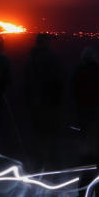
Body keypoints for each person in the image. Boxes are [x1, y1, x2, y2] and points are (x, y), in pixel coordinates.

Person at [24, 33, 64, 167]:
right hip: (50, 100)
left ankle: (37, 160)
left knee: (37, 132)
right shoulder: (51, 57)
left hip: (35, 100)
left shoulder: (30, 58)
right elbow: (58, 78)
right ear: (45, 43)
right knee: (52, 132)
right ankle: (52, 162)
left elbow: (26, 80)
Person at [72, 46, 99, 139]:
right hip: (96, 106)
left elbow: (72, 88)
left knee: (84, 130)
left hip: (82, 106)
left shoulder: (78, 71)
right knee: (95, 131)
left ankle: (84, 148)